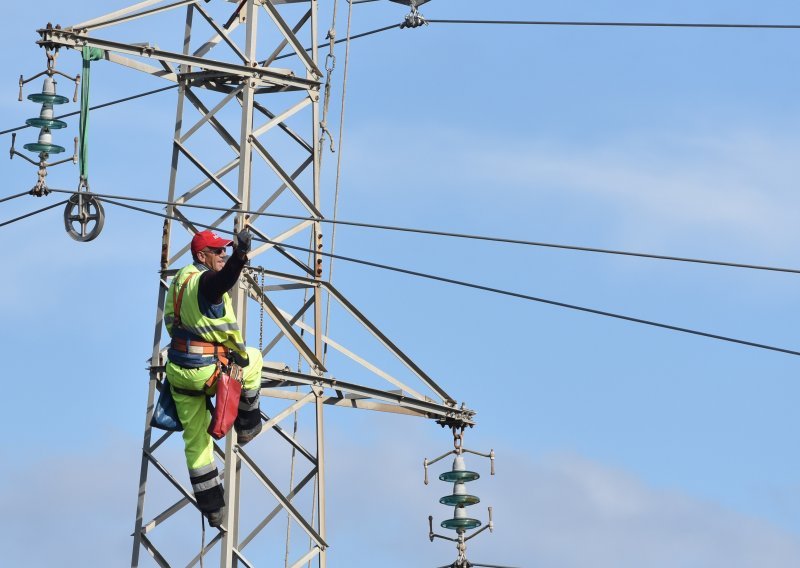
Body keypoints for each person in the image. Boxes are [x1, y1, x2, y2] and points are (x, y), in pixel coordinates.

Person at [164, 228, 263, 527]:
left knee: (196, 441)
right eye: (217, 251)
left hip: (179, 372)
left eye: (224, 251)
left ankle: (212, 508)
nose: (222, 255)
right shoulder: (204, 283)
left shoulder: (180, 279)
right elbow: (221, 281)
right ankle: (247, 426)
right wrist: (240, 256)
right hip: (206, 371)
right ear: (201, 256)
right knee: (253, 361)